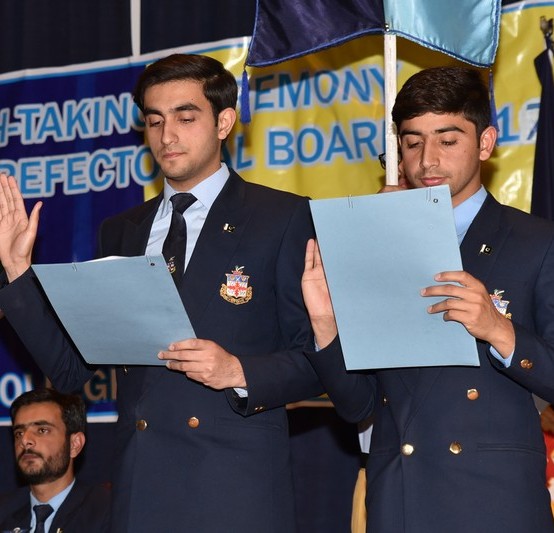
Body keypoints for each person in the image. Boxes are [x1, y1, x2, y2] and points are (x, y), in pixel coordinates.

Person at [0, 54, 322, 532]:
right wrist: (17, 270)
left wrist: (237, 371)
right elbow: (70, 369)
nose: (167, 135)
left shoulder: (282, 217)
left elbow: (320, 360)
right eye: (154, 121)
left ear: (224, 122)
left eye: (185, 118)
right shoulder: (122, 230)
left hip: (235, 491)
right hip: (142, 491)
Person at [302, 66, 554, 532]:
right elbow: (358, 405)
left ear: (485, 142)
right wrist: (326, 326)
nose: (428, 160)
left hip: (493, 500)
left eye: (448, 140)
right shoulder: (373, 243)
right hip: (400, 496)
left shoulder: (536, 242)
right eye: (413, 142)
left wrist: (499, 330)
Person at [0, 388, 110, 532]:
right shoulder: (4, 511)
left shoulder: (106, 510)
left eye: (42, 430)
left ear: (74, 444)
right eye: (19, 433)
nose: (25, 440)